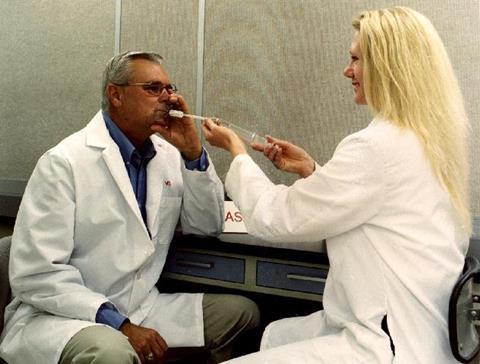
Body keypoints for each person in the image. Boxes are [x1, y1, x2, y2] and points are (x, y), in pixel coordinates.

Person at [202, 6, 471, 363]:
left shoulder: (375, 146)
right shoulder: (429, 141)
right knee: (275, 335)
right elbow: (380, 208)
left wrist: (236, 153)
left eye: (356, 59)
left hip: (386, 346)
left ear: (387, 66)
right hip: (421, 334)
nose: (348, 71)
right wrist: (315, 172)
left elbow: (275, 218)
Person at [0, 51, 259, 364]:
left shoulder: (167, 154)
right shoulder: (64, 163)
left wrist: (193, 154)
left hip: (141, 305)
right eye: (153, 88)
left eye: (169, 88)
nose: (169, 98)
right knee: (111, 351)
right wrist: (119, 323)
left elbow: (207, 224)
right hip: (65, 314)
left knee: (241, 314)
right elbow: (36, 274)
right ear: (116, 95)